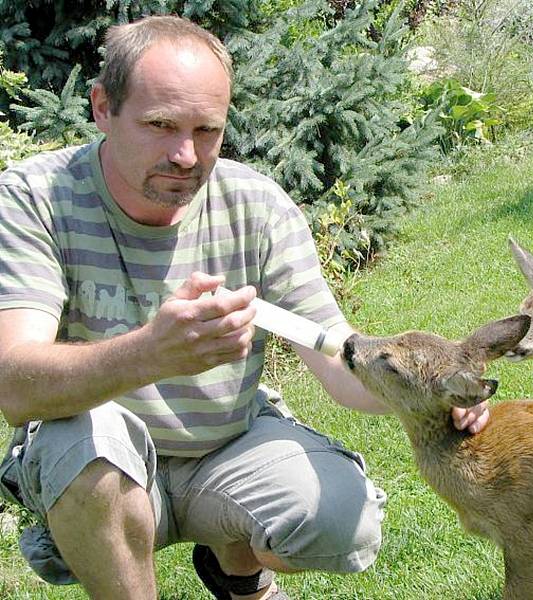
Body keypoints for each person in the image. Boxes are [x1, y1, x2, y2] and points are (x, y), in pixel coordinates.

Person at [0, 15, 490, 600]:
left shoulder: (255, 205)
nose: (186, 155)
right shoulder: (35, 197)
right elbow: (15, 383)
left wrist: (434, 395)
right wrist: (149, 354)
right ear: (103, 107)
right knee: (87, 442)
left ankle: (238, 571)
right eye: (160, 125)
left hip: (226, 445)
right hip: (97, 461)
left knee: (340, 518)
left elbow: (336, 356)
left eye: (207, 130)